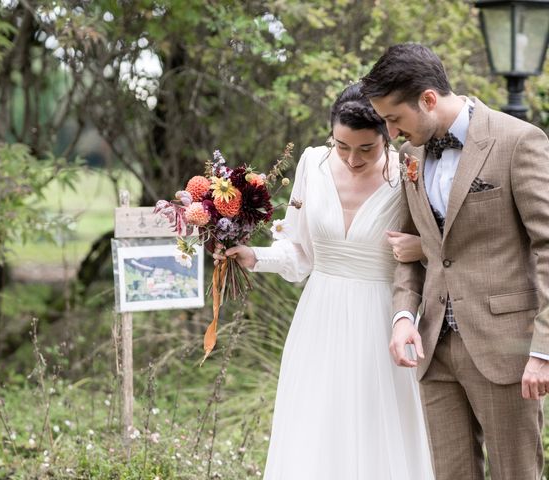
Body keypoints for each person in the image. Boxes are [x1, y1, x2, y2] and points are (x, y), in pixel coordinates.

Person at [216, 83, 434, 479]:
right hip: (320, 318)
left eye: (366, 149)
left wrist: (423, 246)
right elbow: (300, 252)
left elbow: (434, 248)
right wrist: (254, 256)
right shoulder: (311, 164)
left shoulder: (408, 172)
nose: (352, 159)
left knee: (379, 429)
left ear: (389, 134)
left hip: (384, 318)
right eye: (342, 145)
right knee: (317, 428)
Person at [361, 43, 549, 480]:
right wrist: (403, 315)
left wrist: (543, 350)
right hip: (434, 348)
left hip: (507, 348)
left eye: (394, 119)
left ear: (428, 99)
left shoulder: (518, 141)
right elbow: (410, 243)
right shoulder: (411, 156)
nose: (391, 134)